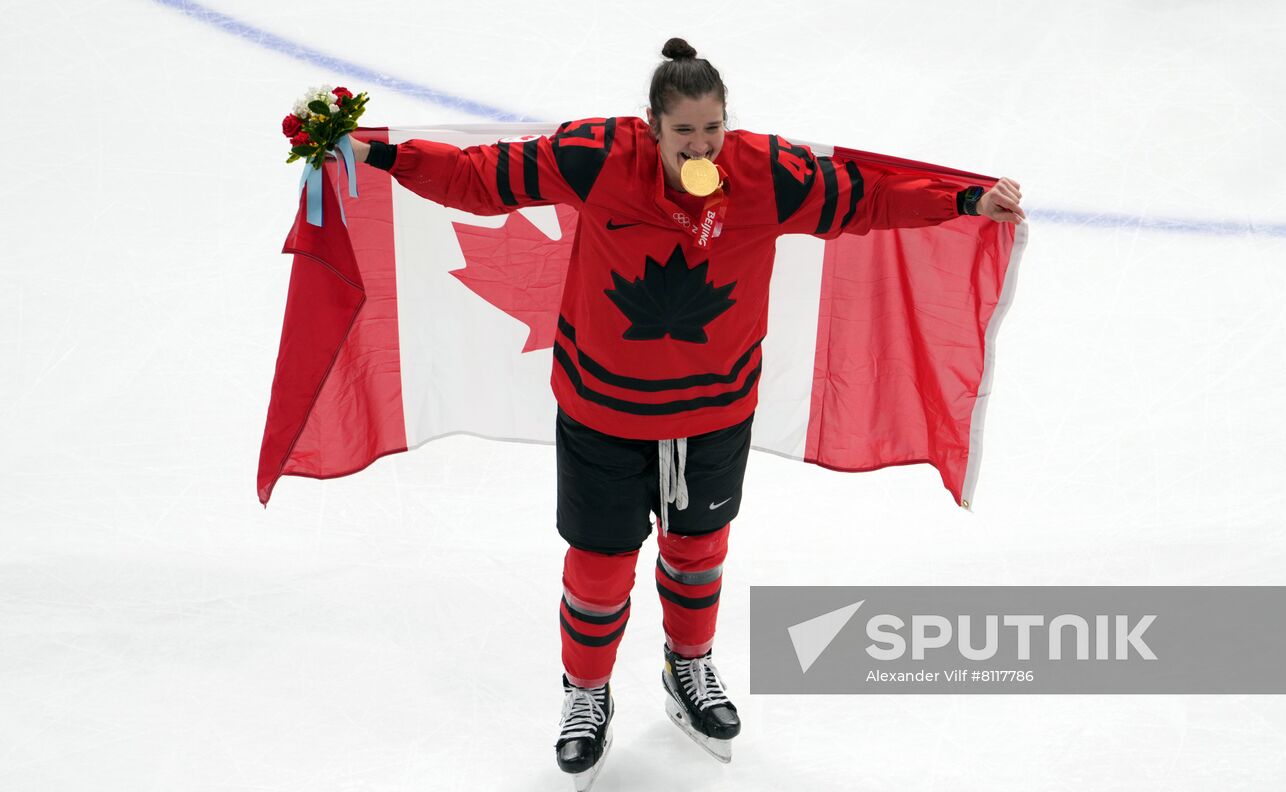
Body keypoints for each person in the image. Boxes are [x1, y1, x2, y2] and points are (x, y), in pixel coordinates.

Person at [350, 37, 1023, 789]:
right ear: (652, 125)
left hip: (713, 410)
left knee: (698, 553)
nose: (700, 145)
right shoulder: (598, 155)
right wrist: (382, 158)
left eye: (712, 129)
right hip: (604, 409)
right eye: (683, 132)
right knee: (600, 568)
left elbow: (862, 197)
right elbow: (481, 180)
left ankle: (688, 668)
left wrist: (962, 200)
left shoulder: (768, 174)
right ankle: (586, 692)